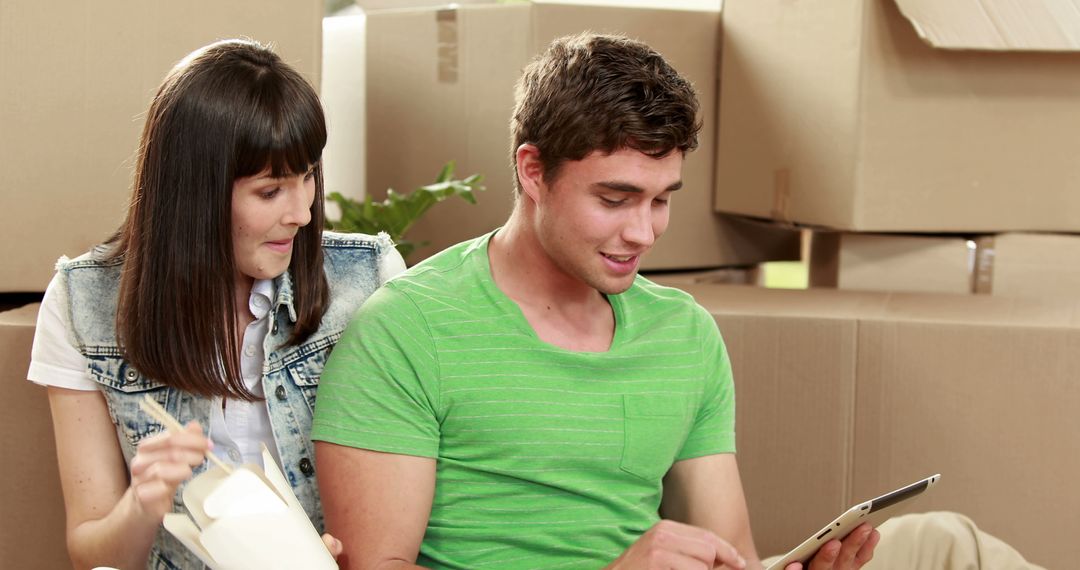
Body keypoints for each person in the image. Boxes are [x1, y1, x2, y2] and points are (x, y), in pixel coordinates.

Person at [311, 33, 1045, 570]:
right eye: (615, 198)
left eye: (662, 200)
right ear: (532, 171)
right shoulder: (408, 328)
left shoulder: (683, 331)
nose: (643, 232)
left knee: (950, 544)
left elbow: (729, 552)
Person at [27, 39, 404, 569]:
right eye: (270, 191)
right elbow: (93, 556)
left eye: (308, 177)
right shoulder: (82, 304)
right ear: (193, 196)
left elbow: (405, 521)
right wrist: (142, 505)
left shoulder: (368, 280)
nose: (301, 212)